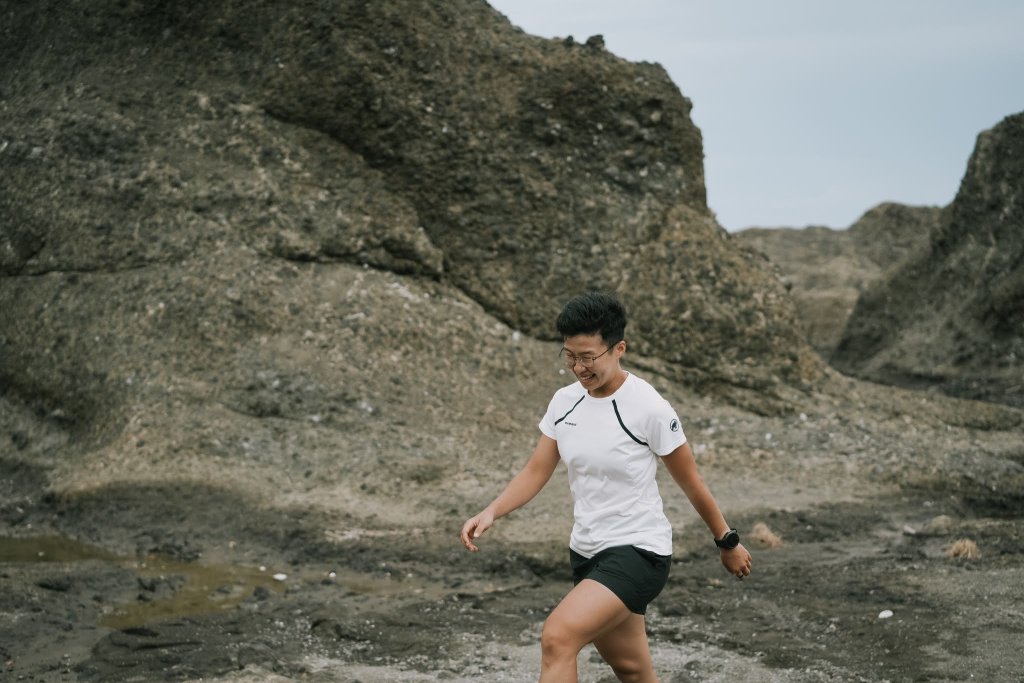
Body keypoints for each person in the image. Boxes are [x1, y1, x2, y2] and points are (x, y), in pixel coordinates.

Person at [460, 291, 752, 683]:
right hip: (586, 552)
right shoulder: (564, 402)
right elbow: (536, 470)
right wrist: (491, 511)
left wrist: (727, 542)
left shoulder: (649, 408)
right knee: (633, 671)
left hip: (639, 551)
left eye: (588, 357)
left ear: (619, 349)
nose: (578, 367)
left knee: (558, 638)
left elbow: (691, 483)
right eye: (570, 356)